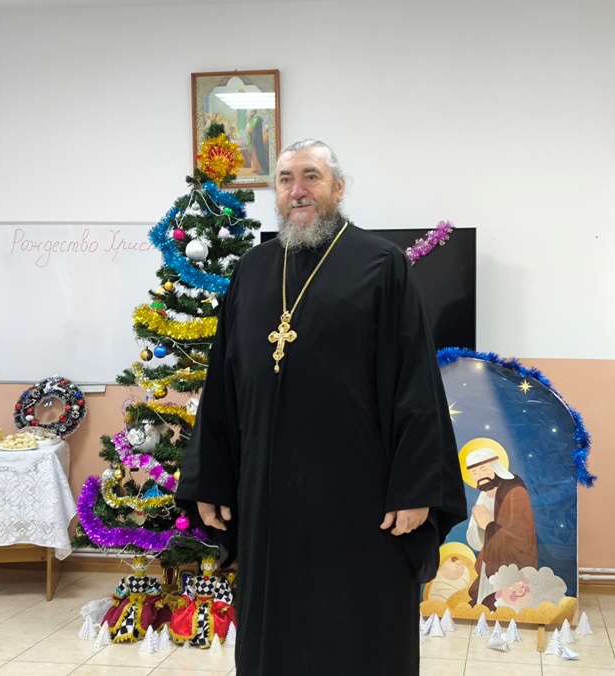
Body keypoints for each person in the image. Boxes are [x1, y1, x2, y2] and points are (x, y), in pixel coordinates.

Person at [177, 138, 467, 675]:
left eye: (310, 176)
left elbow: (416, 384)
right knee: (275, 636)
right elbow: (223, 385)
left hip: (360, 497)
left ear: (338, 187)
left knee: (358, 629)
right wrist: (210, 479)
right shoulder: (253, 269)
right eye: (285, 179)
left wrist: (415, 488)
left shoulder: (382, 264)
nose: (298, 190)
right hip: (268, 498)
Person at [464, 447, 537, 609]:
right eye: (474, 472)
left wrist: (489, 525)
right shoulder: (483, 496)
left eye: (483, 469)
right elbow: (475, 540)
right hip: (489, 562)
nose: (479, 475)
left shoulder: (515, 492)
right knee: (484, 604)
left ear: (495, 466)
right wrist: (482, 528)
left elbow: (520, 533)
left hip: (513, 564)